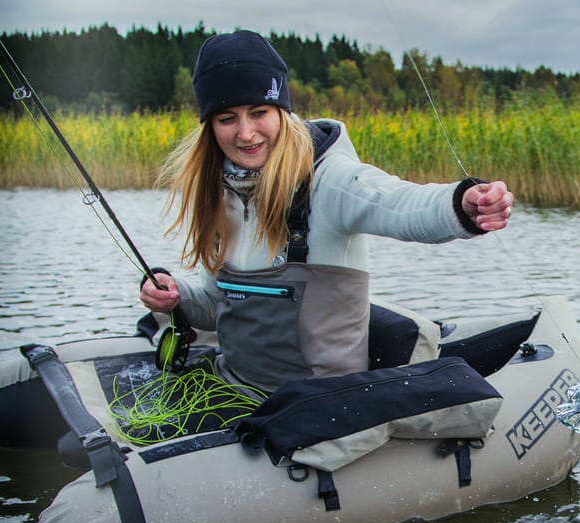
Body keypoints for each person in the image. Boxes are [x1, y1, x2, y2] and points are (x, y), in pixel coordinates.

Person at [140, 30, 514, 393]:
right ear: (210, 126)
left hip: (322, 407)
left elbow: (402, 204)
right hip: (238, 390)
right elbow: (217, 307)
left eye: (259, 112)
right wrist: (177, 298)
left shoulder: (330, 181)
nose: (246, 133)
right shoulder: (216, 195)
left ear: (282, 112)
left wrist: (465, 204)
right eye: (227, 119)